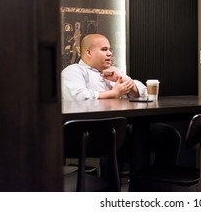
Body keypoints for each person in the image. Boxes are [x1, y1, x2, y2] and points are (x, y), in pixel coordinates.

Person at [61, 33, 180, 170]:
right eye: (104, 50)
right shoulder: (73, 71)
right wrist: (114, 93)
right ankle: (112, 187)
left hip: (123, 129)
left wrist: (124, 82)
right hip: (89, 133)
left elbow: (143, 92)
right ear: (88, 52)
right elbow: (79, 98)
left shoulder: (114, 71)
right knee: (116, 138)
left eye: (110, 49)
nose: (110, 54)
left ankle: (155, 184)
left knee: (169, 135)